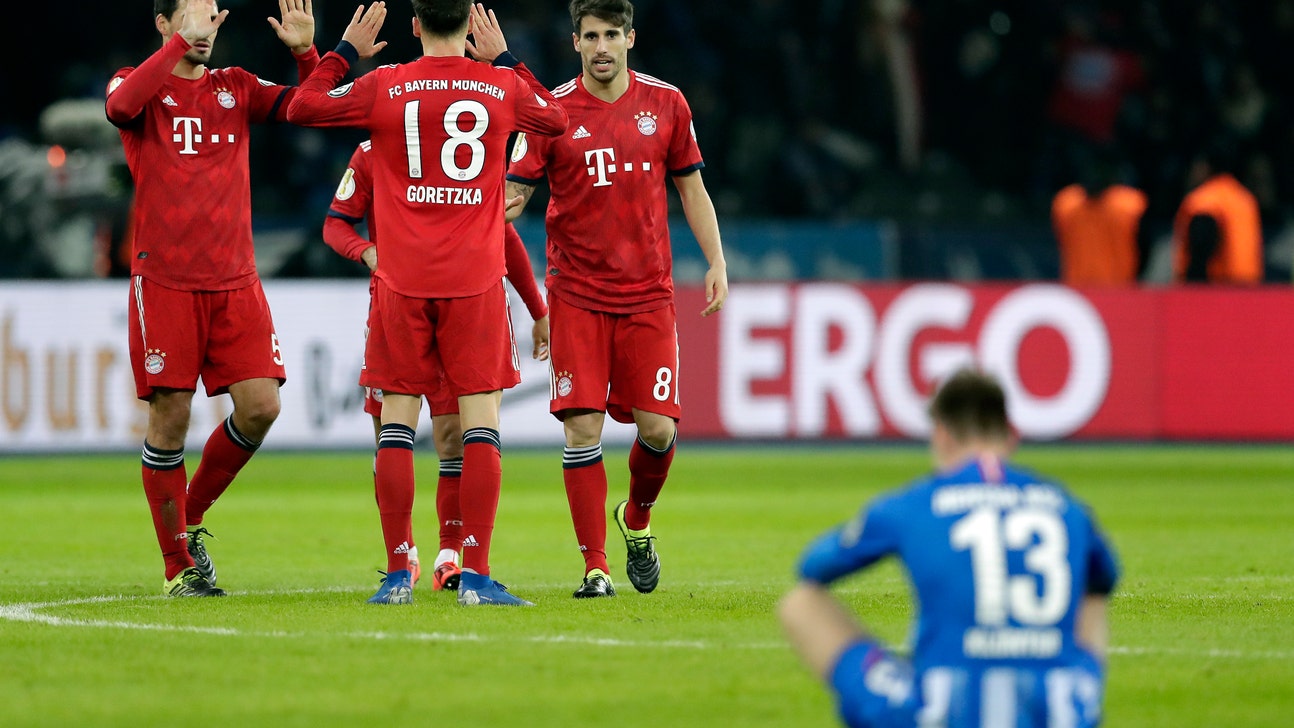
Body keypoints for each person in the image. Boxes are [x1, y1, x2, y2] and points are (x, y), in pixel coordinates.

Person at [287, 1, 567, 606]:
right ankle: (477, 576)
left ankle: (396, 575)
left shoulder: (386, 86)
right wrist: (507, 58)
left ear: (413, 25)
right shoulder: (499, 86)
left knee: (396, 426)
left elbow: (302, 106)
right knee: (479, 428)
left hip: (402, 281)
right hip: (474, 282)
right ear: (471, 24)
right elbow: (560, 121)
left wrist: (340, 53)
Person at [105, 0, 334, 598]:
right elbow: (119, 109)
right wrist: (178, 48)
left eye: (214, 17)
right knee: (171, 417)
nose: (208, 28)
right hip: (166, 280)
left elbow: (314, 109)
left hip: (235, 278)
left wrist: (307, 53)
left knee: (261, 406)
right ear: (163, 22)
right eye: (194, 17)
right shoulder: (137, 83)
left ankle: (193, 515)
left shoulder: (235, 86)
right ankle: (177, 565)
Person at [505, 0, 729, 599]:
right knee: (582, 430)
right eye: (590, 36)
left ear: (630, 37)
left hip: (648, 297)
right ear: (575, 42)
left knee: (657, 432)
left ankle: (636, 517)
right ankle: (595, 568)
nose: (601, 46)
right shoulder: (550, 112)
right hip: (576, 295)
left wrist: (716, 260)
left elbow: (692, 189)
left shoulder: (668, 103)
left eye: (611, 35)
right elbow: (512, 197)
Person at [779, 368, 1120, 728]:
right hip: (1059, 712)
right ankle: (1077, 694)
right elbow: (1104, 580)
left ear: (941, 435)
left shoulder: (912, 504)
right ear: (1010, 436)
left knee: (801, 602)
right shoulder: (1066, 505)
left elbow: (813, 567)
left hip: (941, 712)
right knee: (1091, 598)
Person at [323, 139, 551, 592]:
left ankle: (450, 555)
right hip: (399, 302)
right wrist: (367, 252)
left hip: (457, 302)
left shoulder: (469, 148)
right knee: (389, 433)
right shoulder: (374, 151)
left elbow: (501, 233)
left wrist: (537, 307)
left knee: (451, 435)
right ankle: (403, 557)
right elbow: (336, 224)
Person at [1051, 150, 1149, 286]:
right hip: (1077, 290)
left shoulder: (1130, 205)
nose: (1094, 176)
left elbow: (1143, 248)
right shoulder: (1066, 203)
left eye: (1100, 170)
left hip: (1120, 289)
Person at [1172, 148, 1264, 284]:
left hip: (1217, 287)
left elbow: (1201, 246)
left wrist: (1193, 286)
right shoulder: (1244, 198)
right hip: (1249, 286)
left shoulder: (1205, 201)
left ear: (1206, 167)